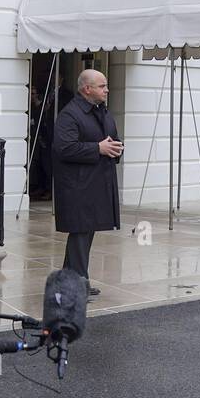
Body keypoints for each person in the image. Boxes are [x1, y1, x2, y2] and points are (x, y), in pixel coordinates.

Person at [53, 70, 122, 296]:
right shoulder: (69, 114)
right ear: (87, 89)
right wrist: (97, 148)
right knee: (80, 235)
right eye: (102, 86)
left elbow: (111, 139)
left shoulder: (101, 111)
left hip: (96, 184)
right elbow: (64, 148)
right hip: (78, 187)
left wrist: (115, 149)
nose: (107, 89)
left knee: (84, 235)